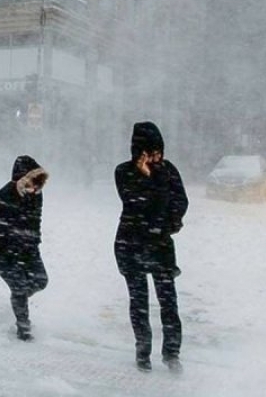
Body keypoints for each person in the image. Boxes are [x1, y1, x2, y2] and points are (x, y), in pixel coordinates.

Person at [114, 122, 188, 372]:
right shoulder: (124, 172)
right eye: (151, 153)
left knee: (169, 301)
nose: (157, 158)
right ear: (139, 152)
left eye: (160, 152)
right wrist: (150, 177)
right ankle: (142, 351)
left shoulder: (169, 170)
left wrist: (168, 224)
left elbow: (180, 201)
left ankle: (172, 353)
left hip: (160, 245)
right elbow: (135, 202)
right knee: (139, 301)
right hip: (131, 244)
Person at [0, 155, 49, 341]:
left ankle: (18, 300)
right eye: (31, 181)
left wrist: (33, 241)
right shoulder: (5, 194)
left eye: (38, 182)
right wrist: (10, 231)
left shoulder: (36, 195)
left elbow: (36, 221)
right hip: (0, 250)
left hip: (27, 248)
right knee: (19, 286)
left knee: (41, 281)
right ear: (21, 179)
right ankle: (23, 328)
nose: (35, 187)